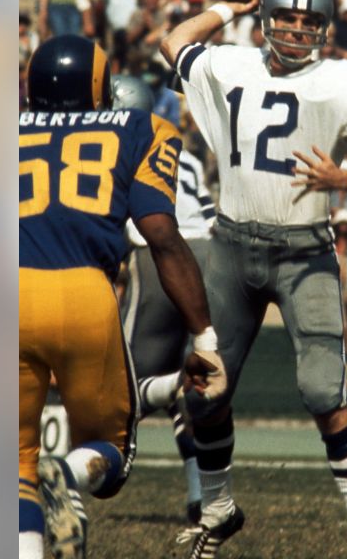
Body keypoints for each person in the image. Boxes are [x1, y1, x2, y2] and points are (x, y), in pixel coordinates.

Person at [160, 0, 347, 559]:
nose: (297, 30)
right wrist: (229, 5)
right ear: (266, 19)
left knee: (324, 392)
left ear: (325, 30)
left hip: (305, 252)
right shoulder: (231, 65)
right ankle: (218, 512)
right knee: (204, 390)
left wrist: (346, 177)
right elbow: (174, 42)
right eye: (287, 18)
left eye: (309, 22)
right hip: (231, 245)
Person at [19, 37, 227, 559]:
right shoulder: (141, 127)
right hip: (82, 294)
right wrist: (204, 334)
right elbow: (159, 232)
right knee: (111, 451)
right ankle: (66, 473)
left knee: (15, 461)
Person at [112, 77, 216, 525]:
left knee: (121, 387)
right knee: (191, 390)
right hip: (208, 258)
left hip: (158, 258)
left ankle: (74, 478)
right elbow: (210, 216)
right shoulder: (184, 153)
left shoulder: (113, 142)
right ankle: (204, 495)